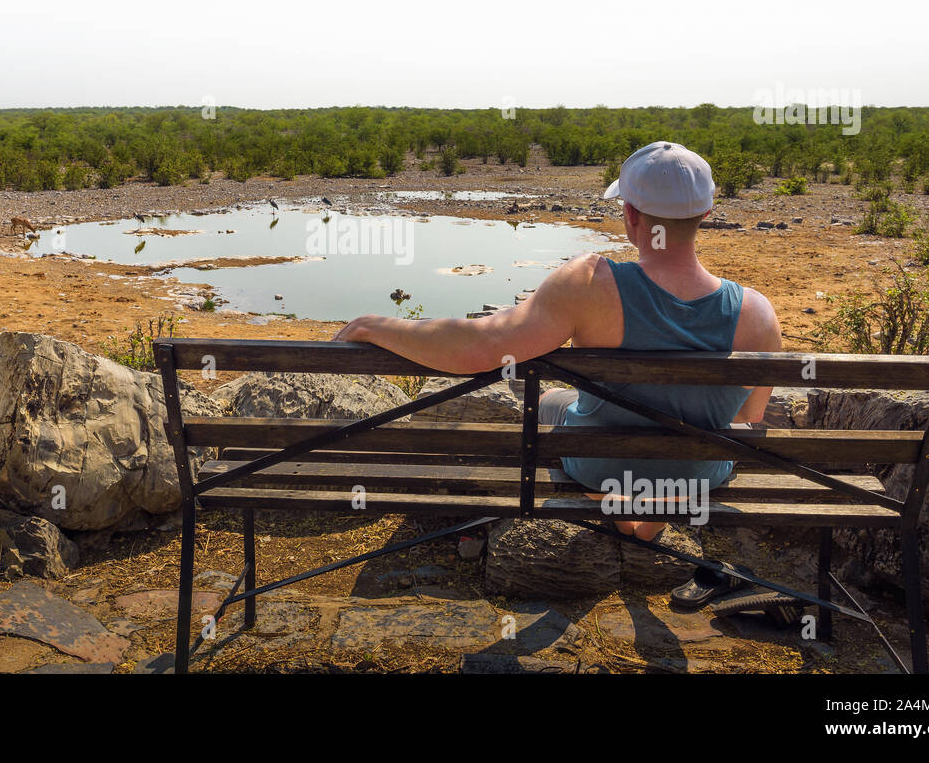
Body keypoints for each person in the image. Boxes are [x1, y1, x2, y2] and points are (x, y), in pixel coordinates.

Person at [332, 141, 782, 540]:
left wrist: (373, 325)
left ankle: (622, 511)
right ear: (705, 214)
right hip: (697, 477)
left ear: (629, 213)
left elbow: (480, 347)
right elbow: (750, 414)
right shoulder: (757, 312)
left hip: (600, 467)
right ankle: (644, 525)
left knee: (552, 400)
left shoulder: (590, 282)